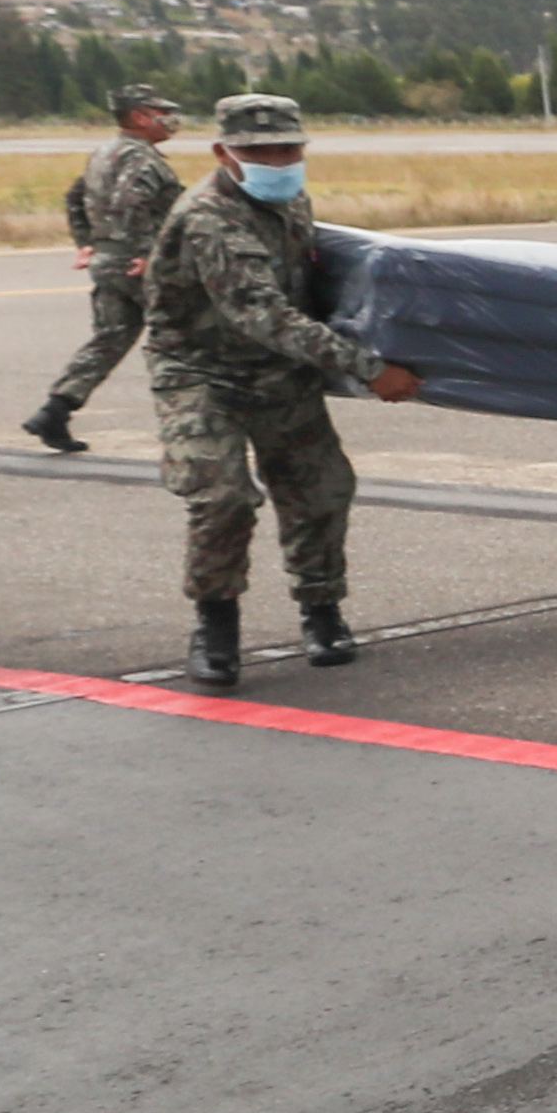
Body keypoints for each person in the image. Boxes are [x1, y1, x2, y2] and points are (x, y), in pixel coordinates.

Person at [144, 92, 428, 690]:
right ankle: (215, 627)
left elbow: (312, 282)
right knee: (222, 498)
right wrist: (367, 367)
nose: (277, 159)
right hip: (202, 374)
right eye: (258, 150)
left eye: (287, 147)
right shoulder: (209, 218)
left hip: (278, 372)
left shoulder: (289, 198)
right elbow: (262, 313)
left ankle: (322, 612)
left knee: (322, 489)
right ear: (224, 153)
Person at [21, 82, 186, 454]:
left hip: (110, 262)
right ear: (140, 117)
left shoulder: (105, 153)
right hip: (139, 265)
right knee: (187, 339)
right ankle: (193, 428)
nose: (170, 120)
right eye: (161, 112)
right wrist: (149, 254)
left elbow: (75, 197)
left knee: (110, 339)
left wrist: (86, 242)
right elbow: (133, 204)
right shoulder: (140, 158)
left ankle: (55, 410)